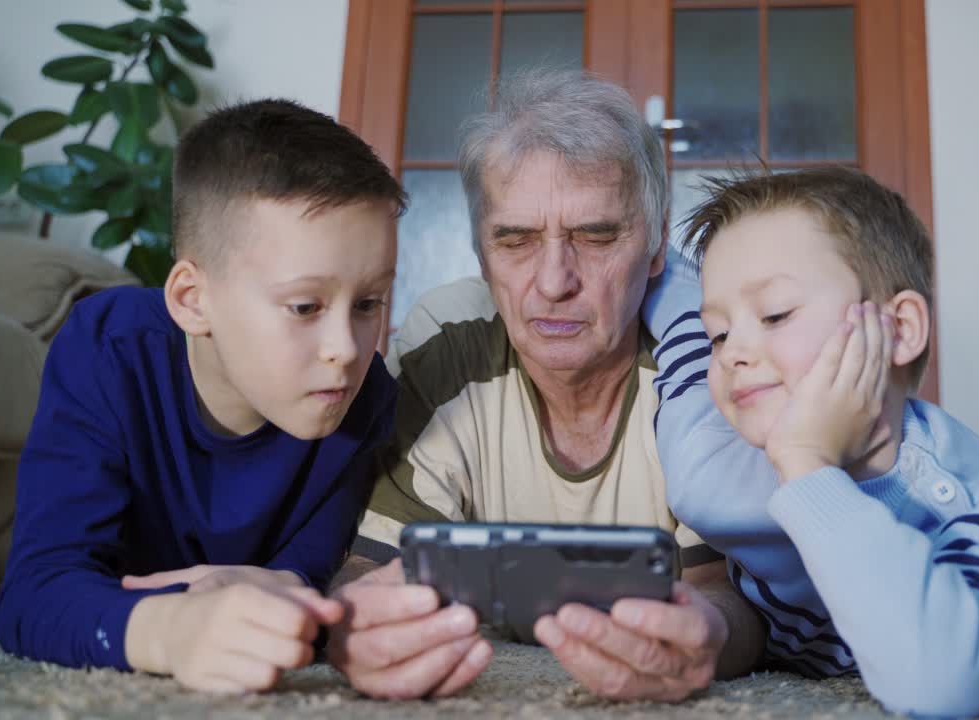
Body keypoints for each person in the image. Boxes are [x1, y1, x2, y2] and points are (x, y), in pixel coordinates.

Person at [325, 68, 767, 702]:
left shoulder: (700, 361)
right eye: (516, 240)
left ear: (656, 247)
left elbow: (729, 599)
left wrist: (709, 637)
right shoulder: (446, 342)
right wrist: (359, 627)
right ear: (480, 254)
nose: (555, 280)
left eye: (596, 235)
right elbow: (369, 569)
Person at [643, 167, 979, 717]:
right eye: (721, 331)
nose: (732, 352)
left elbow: (944, 687)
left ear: (899, 330)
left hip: (947, 607)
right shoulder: (705, 452)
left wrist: (807, 465)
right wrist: (638, 257)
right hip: (784, 631)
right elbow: (680, 318)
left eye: (776, 313)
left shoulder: (974, 497)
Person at [0, 99, 405, 693]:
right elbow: (36, 591)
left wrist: (293, 597)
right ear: (191, 299)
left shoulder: (363, 399)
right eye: (305, 307)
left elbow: (306, 577)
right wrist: (169, 630)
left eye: (368, 304)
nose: (346, 348)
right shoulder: (107, 349)